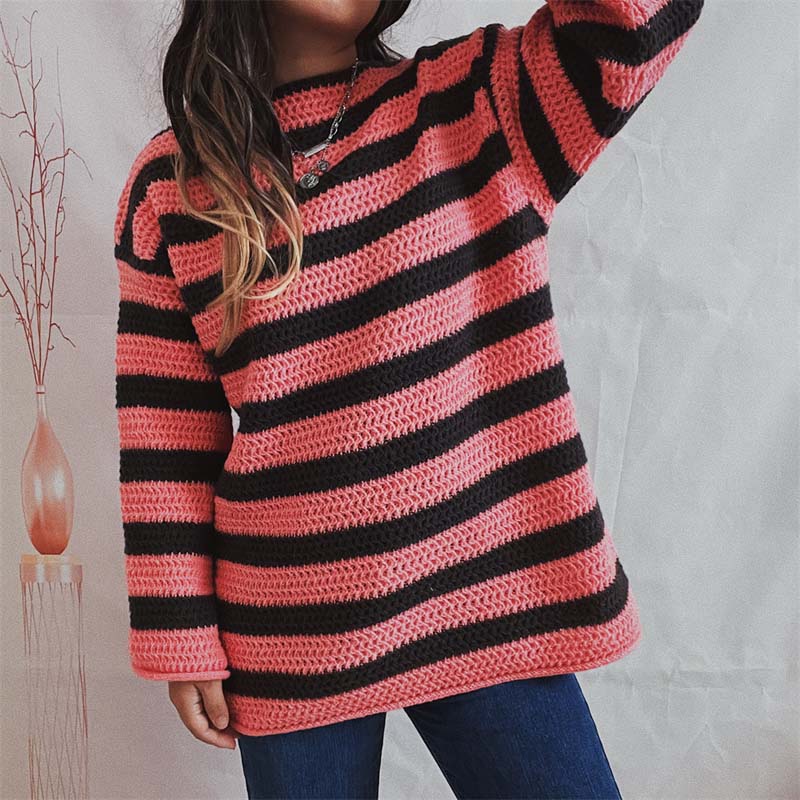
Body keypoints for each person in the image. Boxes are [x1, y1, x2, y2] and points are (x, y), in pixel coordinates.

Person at [113, 1, 704, 797]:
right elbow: (164, 434)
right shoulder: (173, 187)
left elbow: (637, 25)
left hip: (489, 590)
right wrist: (181, 627)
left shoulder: (479, 102)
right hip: (292, 627)